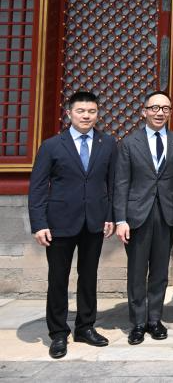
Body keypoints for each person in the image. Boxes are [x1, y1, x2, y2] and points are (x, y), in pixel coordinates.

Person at [28, 90, 116, 359]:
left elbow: (113, 184)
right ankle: (58, 333)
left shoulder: (107, 143)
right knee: (58, 278)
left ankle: (85, 327)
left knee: (88, 276)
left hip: (94, 221)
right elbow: (38, 187)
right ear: (69, 113)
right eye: (80, 111)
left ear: (97, 114)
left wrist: (110, 216)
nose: (86, 116)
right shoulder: (52, 145)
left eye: (91, 111)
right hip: (59, 222)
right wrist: (39, 223)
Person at [114, 91, 173, 345]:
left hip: (166, 214)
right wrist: (120, 219)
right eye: (154, 108)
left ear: (170, 113)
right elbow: (121, 183)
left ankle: (154, 319)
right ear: (144, 111)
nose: (159, 113)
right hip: (137, 215)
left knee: (160, 271)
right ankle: (137, 322)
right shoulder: (129, 143)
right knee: (137, 271)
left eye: (165, 108)